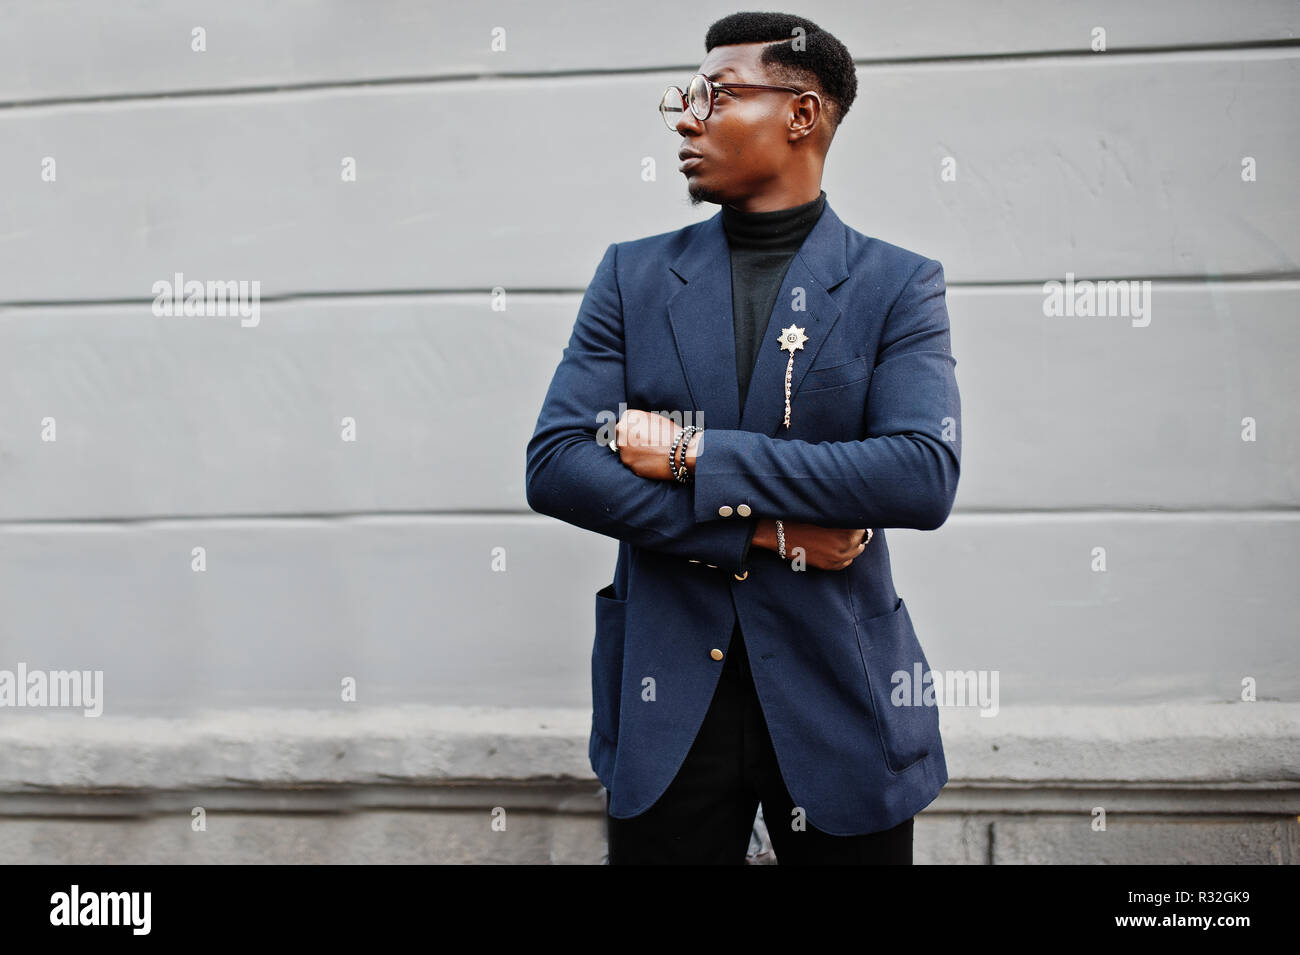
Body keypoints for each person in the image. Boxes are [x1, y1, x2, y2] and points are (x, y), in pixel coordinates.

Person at [525, 11, 961, 864]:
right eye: (687, 98)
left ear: (802, 115)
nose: (688, 118)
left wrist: (690, 454)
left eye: (716, 95)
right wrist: (764, 529)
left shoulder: (898, 285)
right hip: (666, 709)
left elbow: (919, 473)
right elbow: (558, 464)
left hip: (842, 701)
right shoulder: (633, 274)